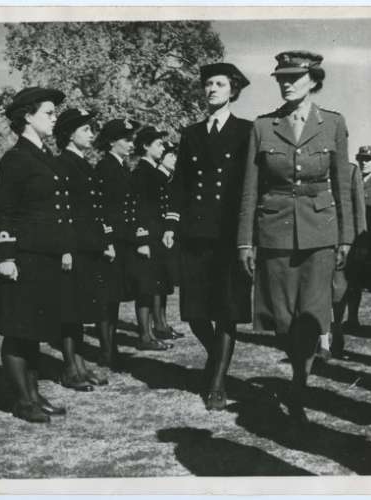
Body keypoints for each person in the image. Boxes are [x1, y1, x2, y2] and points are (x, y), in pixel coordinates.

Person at [237, 51, 354, 424]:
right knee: (283, 318)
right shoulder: (263, 126)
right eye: (281, 78)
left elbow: (342, 185)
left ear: (313, 80)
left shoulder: (332, 123)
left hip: (320, 233)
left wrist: (346, 238)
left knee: (312, 315)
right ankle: (297, 370)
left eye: (294, 78)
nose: (286, 84)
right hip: (274, 232)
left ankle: (299, 384)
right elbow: (250, 189)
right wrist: (245, 241)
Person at [166, 62, 252, 411]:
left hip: (228, 234)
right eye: (208, 84)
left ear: (233, 90)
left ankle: (216, 382)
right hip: (195, 232)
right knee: (195, 311)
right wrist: (172, 223)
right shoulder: (191, 133)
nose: (212, 89)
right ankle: (217, 358)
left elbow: (250, 186)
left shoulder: (247, 131)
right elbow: (181, 182)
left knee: (227, 309)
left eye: (219, 84)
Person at [0, 86, 73, 423]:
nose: (55, 119)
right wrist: (6, 256)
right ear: (27, 116)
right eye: (49, 113)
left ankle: (34, 393)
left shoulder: (44, 156)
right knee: (18, 329)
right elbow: (4, 211)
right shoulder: (16, 158)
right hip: (23, 257)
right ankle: (23, 400)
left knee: (35, 328)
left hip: (45, 257)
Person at [54, 108, 111, 391]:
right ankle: (70, 368)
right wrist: (65, 247)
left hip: (88, 247)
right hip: (74, 247)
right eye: (86, 129)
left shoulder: (82, 163)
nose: (92, 134)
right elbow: (63, 212)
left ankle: (80, 365)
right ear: (69, 134)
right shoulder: (63, 164)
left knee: (80, 308)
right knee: (70, 310)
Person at [94, 118, 141, 370]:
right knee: (106, 299)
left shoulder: (121, 166)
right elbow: (101, 209)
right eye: (126, 139)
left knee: (113, 298)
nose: (131, 144)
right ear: (112, 142)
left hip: (123, 240)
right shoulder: (105, 167)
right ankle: (106, 352)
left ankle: (111, 349)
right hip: (112, 241)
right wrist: (107, 241)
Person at [130, 126, 175, 351]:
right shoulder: (141, 172)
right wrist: (142, 240)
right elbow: (139, 209)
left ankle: (154, 331)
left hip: (157, 236)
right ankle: (145, 336)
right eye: (158, 144)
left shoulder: (152, 171)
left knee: (154, 284)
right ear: (145, 146)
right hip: (148, 237)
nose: (162, 148)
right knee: (145, 288)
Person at [328, 161, 367, 358]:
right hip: (314, 239)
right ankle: (321, 337)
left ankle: (336, 329)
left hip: (341, 243)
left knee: (338, 292)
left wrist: (360, 243)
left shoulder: (350, 171)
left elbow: (359, 210)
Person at [342, 146, 371, 331]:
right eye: (361, 159)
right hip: (353, 240)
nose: (364, 163)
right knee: (352, 281)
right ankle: (352, 319)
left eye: (368, 159)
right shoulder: (352, 181)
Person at [152, 141, 183, 339]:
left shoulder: (167, 178)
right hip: (158, 234)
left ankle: (162, 322)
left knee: (163, 282)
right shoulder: (157, 178)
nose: (175, 160)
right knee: (157, 283)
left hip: (166, 234)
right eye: (171, 156)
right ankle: (158, 324)